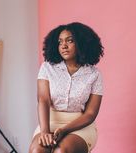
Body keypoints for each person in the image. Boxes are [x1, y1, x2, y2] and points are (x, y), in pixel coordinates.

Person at [29, 22, 104, 153]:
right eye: (60, 42)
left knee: (61, 151)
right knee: (37, 150)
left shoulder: (94, 74)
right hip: (50, 121)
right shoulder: (47, 68)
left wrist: (65, 130)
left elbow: (91, 114)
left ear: (82, 43)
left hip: (80, 126)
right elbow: (43, 100)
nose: (63, 46)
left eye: (70, 41)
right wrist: (45, 131)